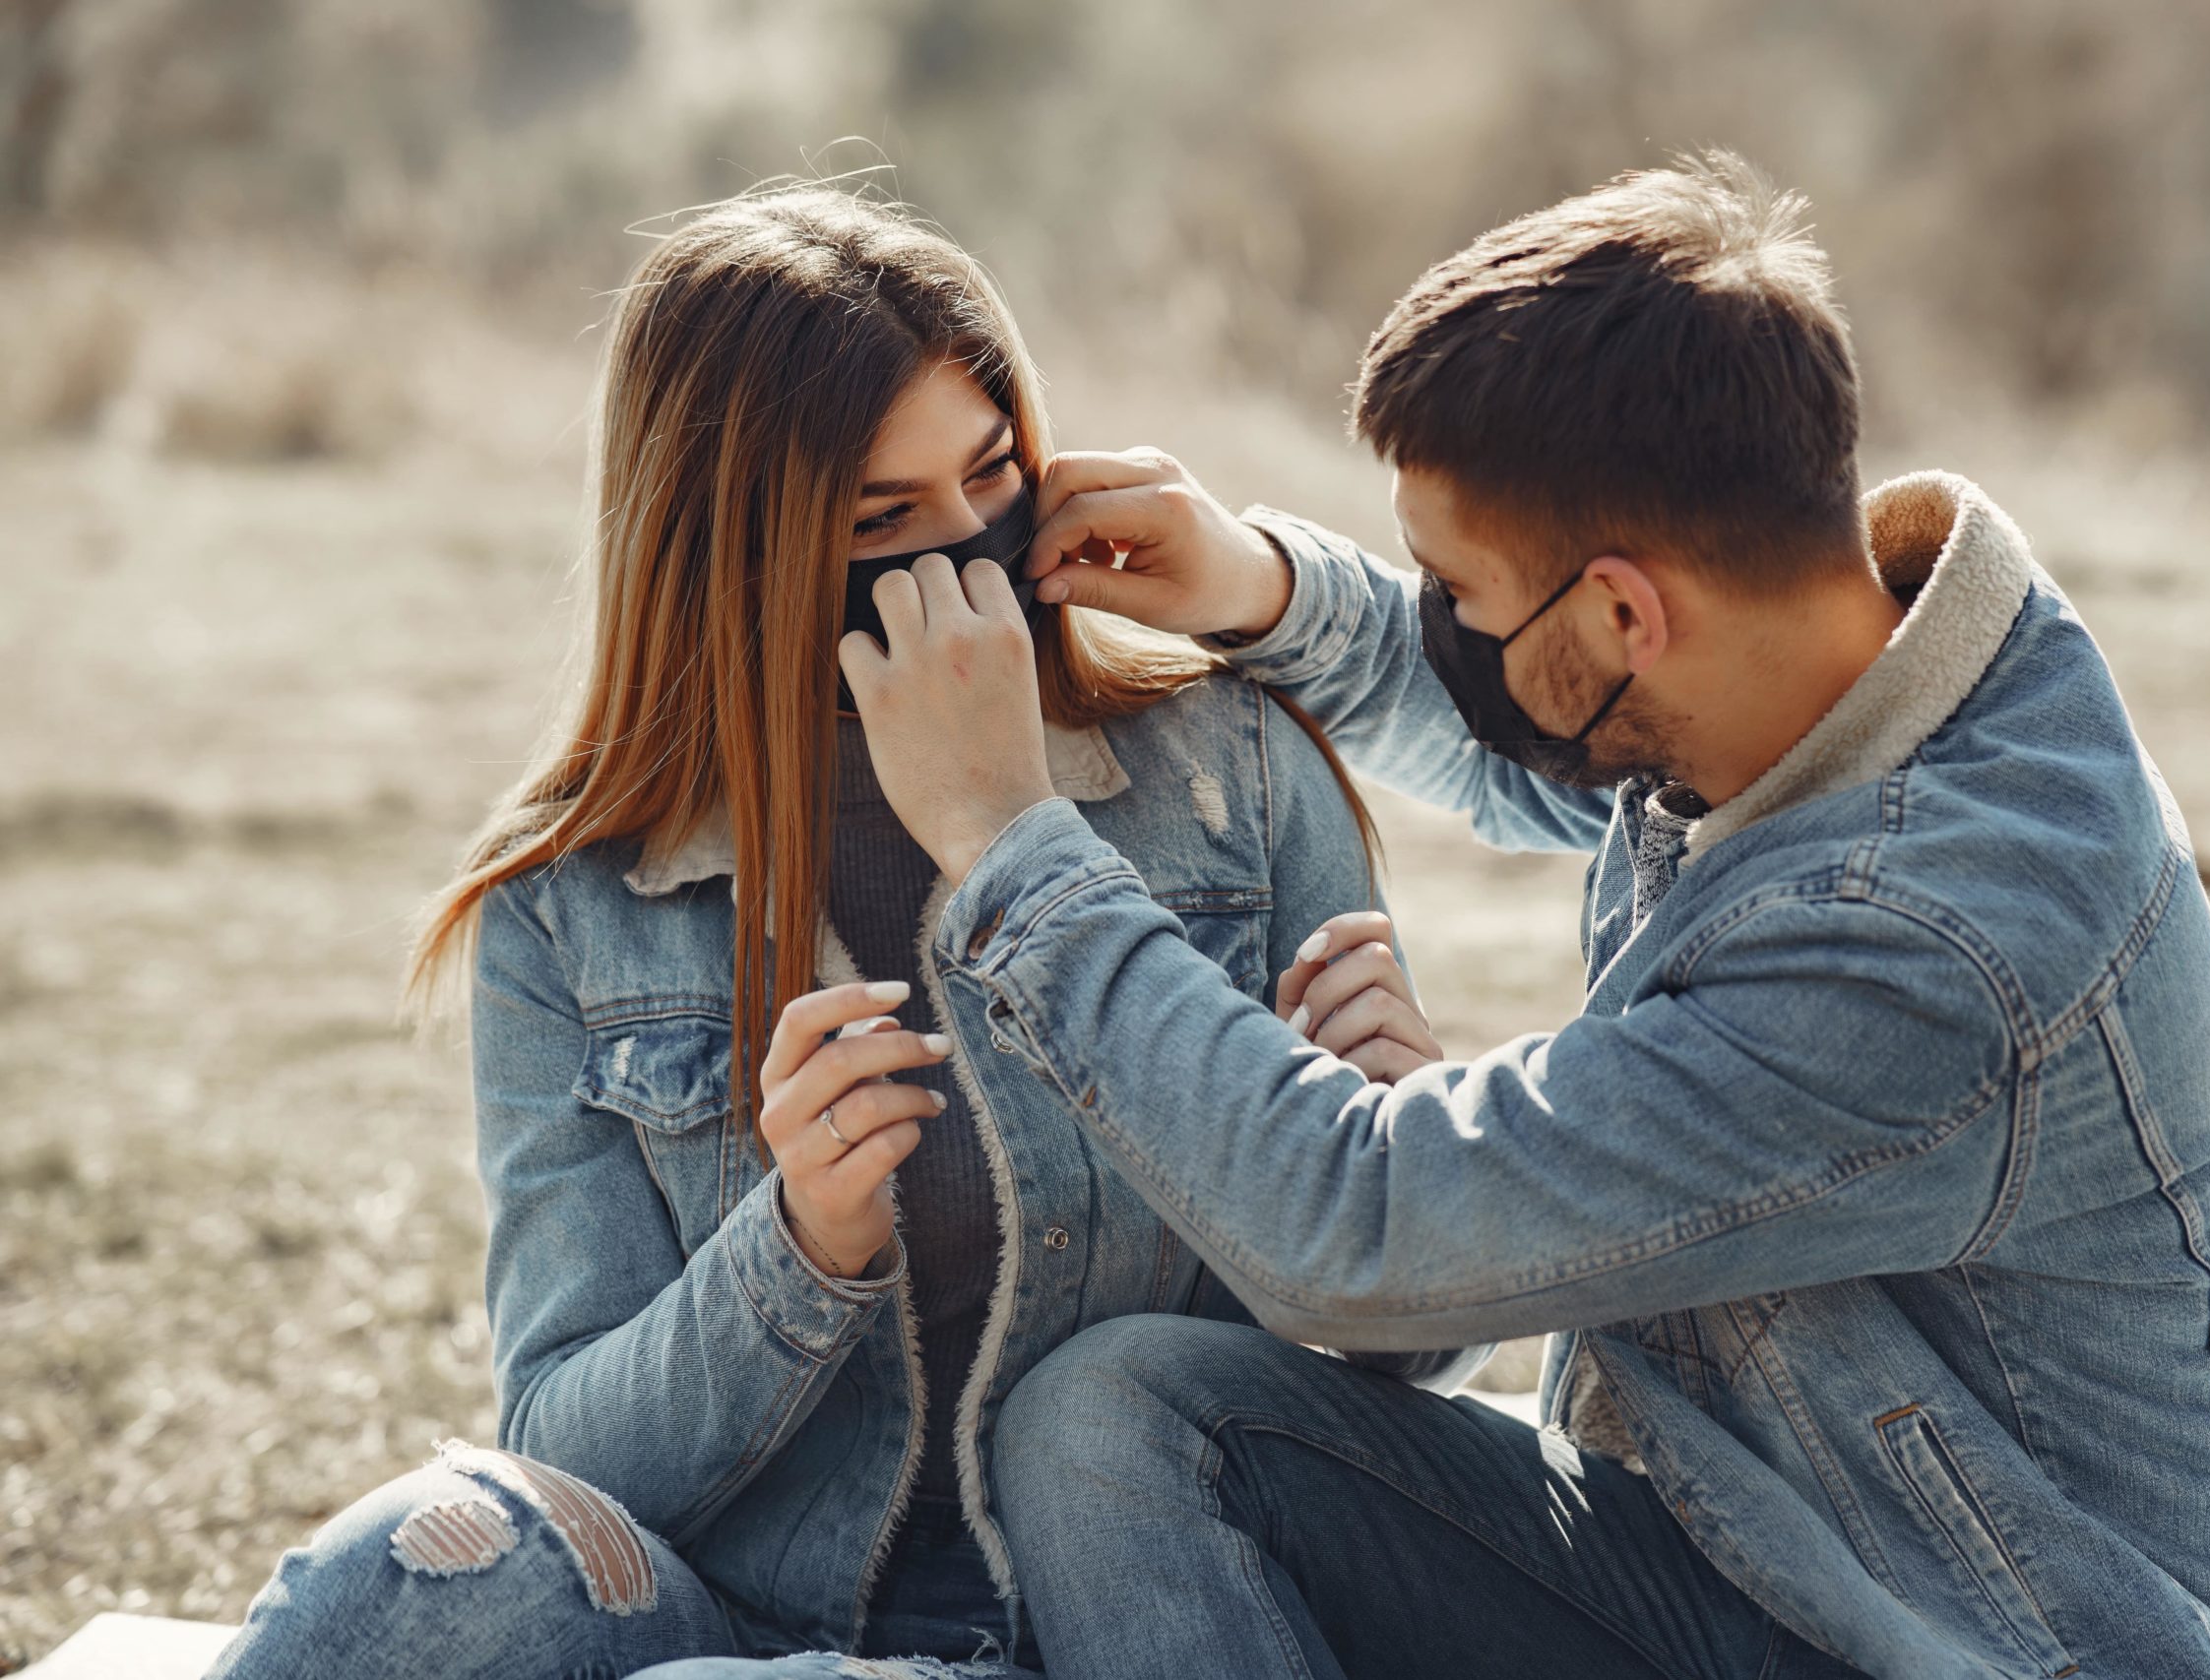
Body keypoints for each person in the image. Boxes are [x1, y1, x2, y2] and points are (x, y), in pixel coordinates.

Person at [837, 154, 2210, 1679]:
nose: (1437, 625)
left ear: (1627, 614)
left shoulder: (1931, 945)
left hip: (2031, 1643)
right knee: (1121, 1421)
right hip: (1778, 1547)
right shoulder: (1846, 666)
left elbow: (1354, 1233)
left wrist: (1004, 834)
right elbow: (1547, 758)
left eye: (1455, 594)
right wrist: (1258, 588)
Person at [205, 187, 1468, 1680]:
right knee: (411, 1573)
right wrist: (799, 1248)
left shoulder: (1232, 773)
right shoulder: (571, 902)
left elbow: (1403, 1361)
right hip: (747, 1619)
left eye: (993, 476)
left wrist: (1401, 1152)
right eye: (881, 520)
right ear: (725, 547)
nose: (965, 555)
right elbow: (570, 1454)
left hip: (1131, 1621)